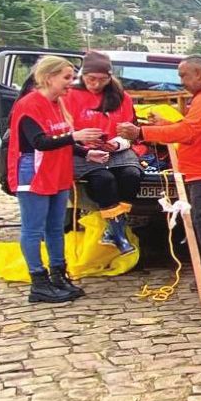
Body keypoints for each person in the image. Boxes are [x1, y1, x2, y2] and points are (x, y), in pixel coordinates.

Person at [117, 56, 201, 305]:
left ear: (198, 73)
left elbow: (188, 133)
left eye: (183, 76)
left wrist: (142, 133)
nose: (181, 81)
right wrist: (165, 125)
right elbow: (195, 127)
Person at [8, 56, 103, 303]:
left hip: (58, 170)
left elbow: (59, 138)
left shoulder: (58, 103)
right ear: (48, 77)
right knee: (33, 228)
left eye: (72, 78)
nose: (71, 84)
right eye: (67, 78)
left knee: (55, 227)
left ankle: (59, 274)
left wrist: (86, 152)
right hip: (35, 171)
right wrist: (76, 137)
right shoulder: (30, 104)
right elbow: (39, 141)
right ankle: (38, 281)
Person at [65, 51, 143, 255]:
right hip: (81, 150)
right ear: (83, 75)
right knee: (103, 179)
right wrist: (82, 140)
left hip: (116, 148)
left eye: (102, 80)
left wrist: (116, 144)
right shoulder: (69, 95)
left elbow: (130, 131)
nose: (96, 84)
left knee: (132, 175)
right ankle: (118, 232)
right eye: (91, 79)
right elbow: (61, 129)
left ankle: (114, 227)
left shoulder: (121, 97)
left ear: (110, 78)